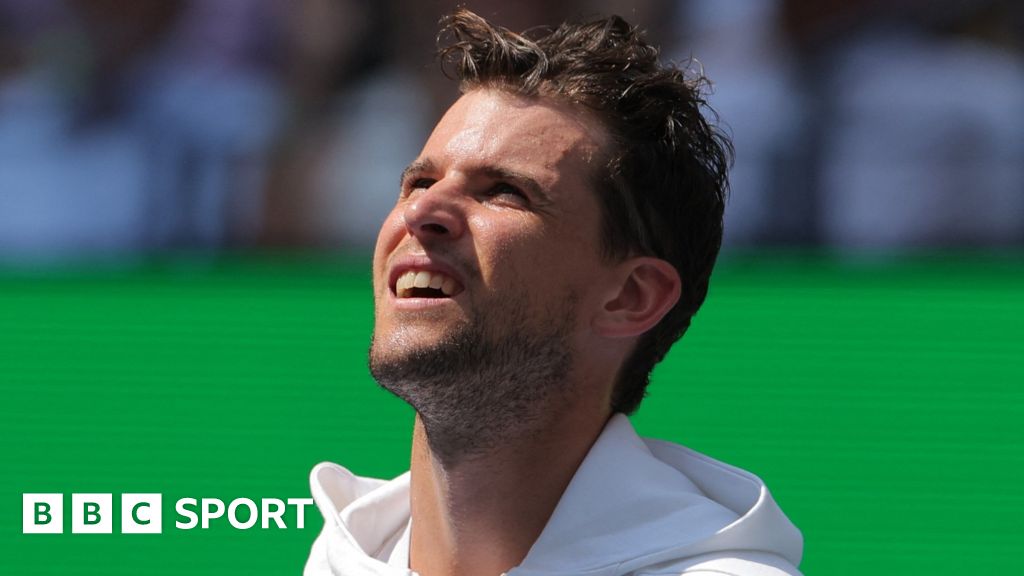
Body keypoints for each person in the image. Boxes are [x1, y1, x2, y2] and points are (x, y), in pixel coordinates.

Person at [305, 8, 803, 576]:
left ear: (631, 297)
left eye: (504, 192)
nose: (420, 212)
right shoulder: (339, 557)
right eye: (420, 181)